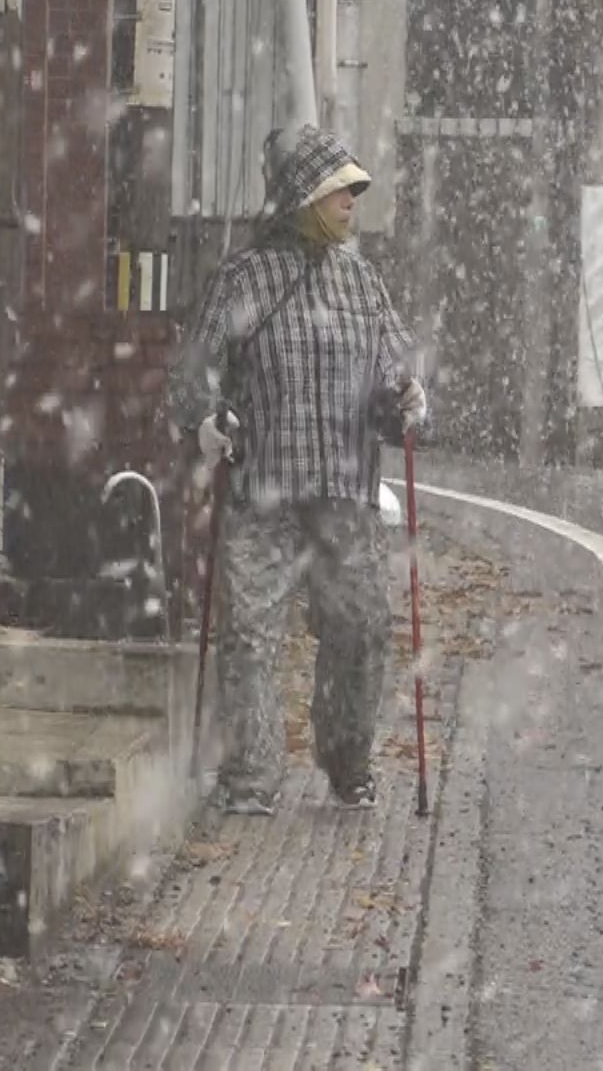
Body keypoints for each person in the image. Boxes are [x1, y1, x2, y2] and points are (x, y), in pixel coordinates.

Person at [170, 125, 428, 816]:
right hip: (264, 492)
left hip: (345, 496)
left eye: (353, 191)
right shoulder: (243, 280)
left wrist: (404, 402)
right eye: (340, 190)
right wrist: (205, 418)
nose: (353, 201)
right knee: (250, 632)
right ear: (303, 198)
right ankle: (250, 777)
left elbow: (394, 381)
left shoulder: (364, 283)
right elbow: (196, 372)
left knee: (362, 627)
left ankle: (348, 762)